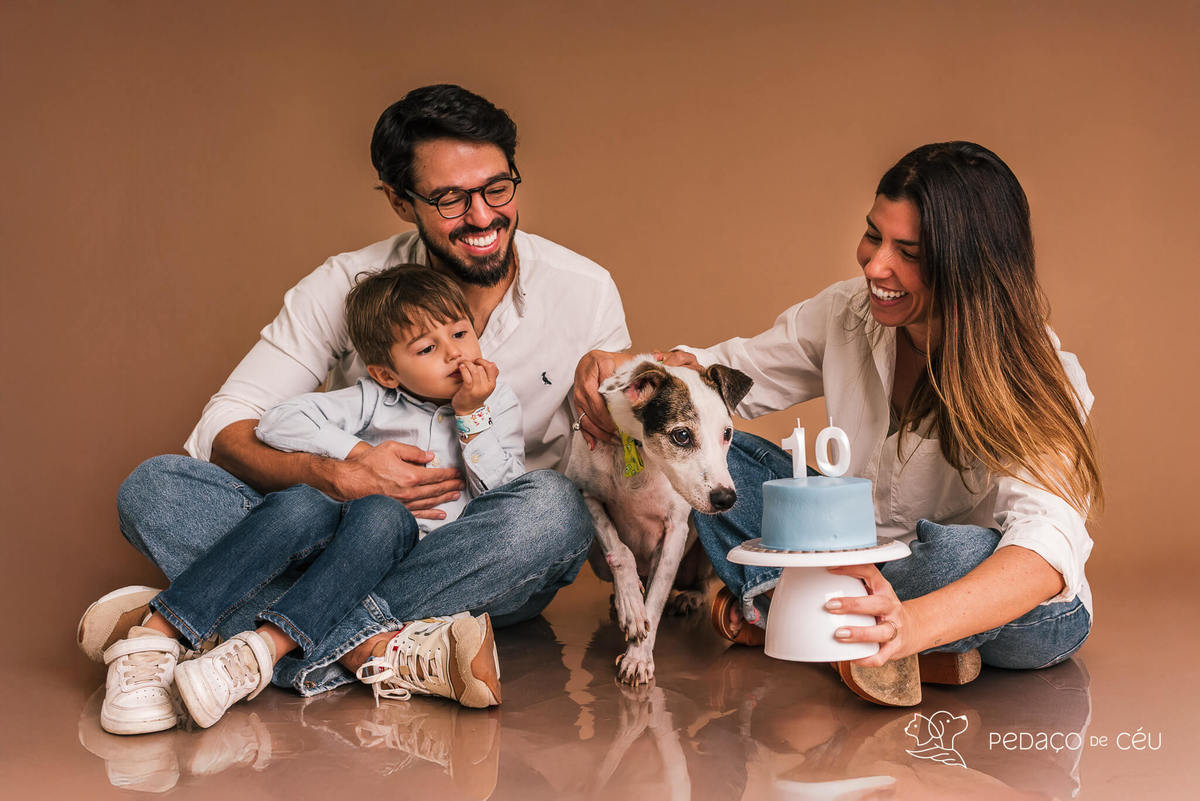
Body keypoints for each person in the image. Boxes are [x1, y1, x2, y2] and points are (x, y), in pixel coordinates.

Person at [80, 84, 630, 700]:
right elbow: (225, 428)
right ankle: (371, 651)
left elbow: (609, 468)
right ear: (400, 202)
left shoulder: (585, 290)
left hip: (479, 560)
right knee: (155, 487)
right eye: (449, 199)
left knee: (554, 509)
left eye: (496, 187)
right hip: (347, 535)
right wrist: (336, 473)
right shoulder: (346, 285)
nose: (481, 217)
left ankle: (215, 618)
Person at [574, 141, 1100, 706]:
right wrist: (624, 367)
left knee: (965, 552)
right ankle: (871, 642)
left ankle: (820, 621)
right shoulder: (848, 312)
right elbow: (723, 373)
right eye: (874, 235)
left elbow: (1046, 550)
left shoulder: (1036, 374)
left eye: (909, 252)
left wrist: (913, 624)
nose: (875, 266)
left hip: (995, 600)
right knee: (731, 458)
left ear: (971, 268)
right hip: (858, 557)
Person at [100, 265, 521, 735]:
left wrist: (472, 418)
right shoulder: (373, 399)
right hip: (346, 553)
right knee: (285, 501)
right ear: (386, 372)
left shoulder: (495, 404)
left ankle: (218, 631)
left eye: (461, 333)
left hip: (423, 569)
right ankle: (368, 649)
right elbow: (274, 422)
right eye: (427, 348)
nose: (455, 353)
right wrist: (359, 458)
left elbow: (504, 500)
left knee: (540, 508)